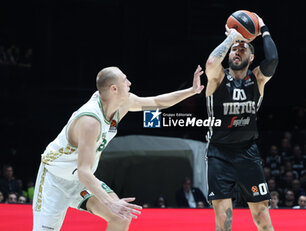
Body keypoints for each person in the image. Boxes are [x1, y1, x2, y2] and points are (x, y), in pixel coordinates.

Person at [32, 65, 204, 231]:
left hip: (80, 181)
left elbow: (156, 101)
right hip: (55, 179)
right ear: (114, 88)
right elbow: (83, 171)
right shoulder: (90, 121)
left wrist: (191, 91)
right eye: (125, 80)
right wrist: (110, 202)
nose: (129, 83)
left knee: (121, 217)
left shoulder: (123, 103)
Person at [205, 13, 278, 231]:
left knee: (263, 220)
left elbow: (273, 59)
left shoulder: (257, 79)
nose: (237, 52)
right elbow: (210, 62)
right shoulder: (218, 78)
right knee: (224, 222)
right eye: (235, 49)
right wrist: (231, 39)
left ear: (251, 57)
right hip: (219, 153)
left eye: (243, 48)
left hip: (248, 153)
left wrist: (263, 27)